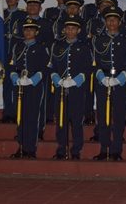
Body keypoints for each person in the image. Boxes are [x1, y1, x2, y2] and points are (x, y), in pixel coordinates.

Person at [91, 6, 126, 161]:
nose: (111, 22)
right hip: (102, 81)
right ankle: (104, 149)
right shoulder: (98, 40)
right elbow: (94, 62)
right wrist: (101, 77)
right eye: (109, 20)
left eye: (114, 20)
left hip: (120, 82)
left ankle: (116, 150)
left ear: (119, 22)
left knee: (119, 117)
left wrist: (120, 79)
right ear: (105, 22)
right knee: (103, 117)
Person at [49, 15, 93, 160]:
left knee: (76, 120)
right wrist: (57, 80)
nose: (70, 31)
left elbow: (88, 68)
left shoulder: (84, 47)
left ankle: (76, 150)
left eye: (73, 28)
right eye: (68, 28)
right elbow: (52, 66)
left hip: (77, 89)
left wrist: (75, 81)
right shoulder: (57, 46)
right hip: (60, 89)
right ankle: (62, 148)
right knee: (61, 120)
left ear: (78, 30)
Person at [9, 17, 49, 159]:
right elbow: (12, 65)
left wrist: (32, 80)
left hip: (34, 85)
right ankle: (21, 146)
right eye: (26, 29)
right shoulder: (17, 46)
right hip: (19, 84)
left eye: (31, 30)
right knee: (20, 116)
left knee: (32, 117)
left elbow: (45, 68)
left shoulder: (41, 48)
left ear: (36, 32)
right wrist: (15, 78)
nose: (28, 32)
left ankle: (30, 148)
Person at [0, 0, 21, 124]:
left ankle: (16, 113)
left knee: (16, 85)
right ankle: (7, 113)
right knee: (6, 84)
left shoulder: (23, 15)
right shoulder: (0, 14)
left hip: (17, 55)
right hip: (3, 54)